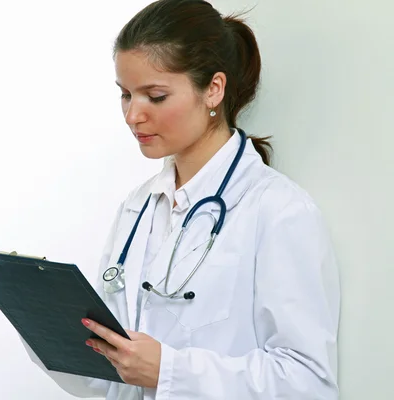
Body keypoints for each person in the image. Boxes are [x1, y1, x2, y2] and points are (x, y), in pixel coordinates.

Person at [21, 0, 340, 398]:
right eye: (125, 95)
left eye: (154, 96)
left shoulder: (279, 212)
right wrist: (43, 326)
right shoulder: (138, 207)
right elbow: (111, 378)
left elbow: (308, 383)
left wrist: (170, 371)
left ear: (213, 90)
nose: (132, 116)